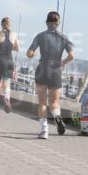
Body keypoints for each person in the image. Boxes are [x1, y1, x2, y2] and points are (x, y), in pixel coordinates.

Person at [26, 11, 74, 139]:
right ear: (58, 23)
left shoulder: (40, 36)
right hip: (55, 71)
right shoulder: (63, 38)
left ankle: (44, 131)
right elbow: (72, 56)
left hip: (42, 69)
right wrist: (63, 63)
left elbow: (29, 54)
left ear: (46, 23)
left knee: (42, 102)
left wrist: (33, 54)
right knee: (54, 102)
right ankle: (57, 116)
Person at [0, 17, 18, 116]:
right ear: (10, 25)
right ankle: (6, 98)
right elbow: (17, 48)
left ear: (1, 24)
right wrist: (9, 47)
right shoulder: (14, 35)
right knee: (7, 85)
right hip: (9, 61)